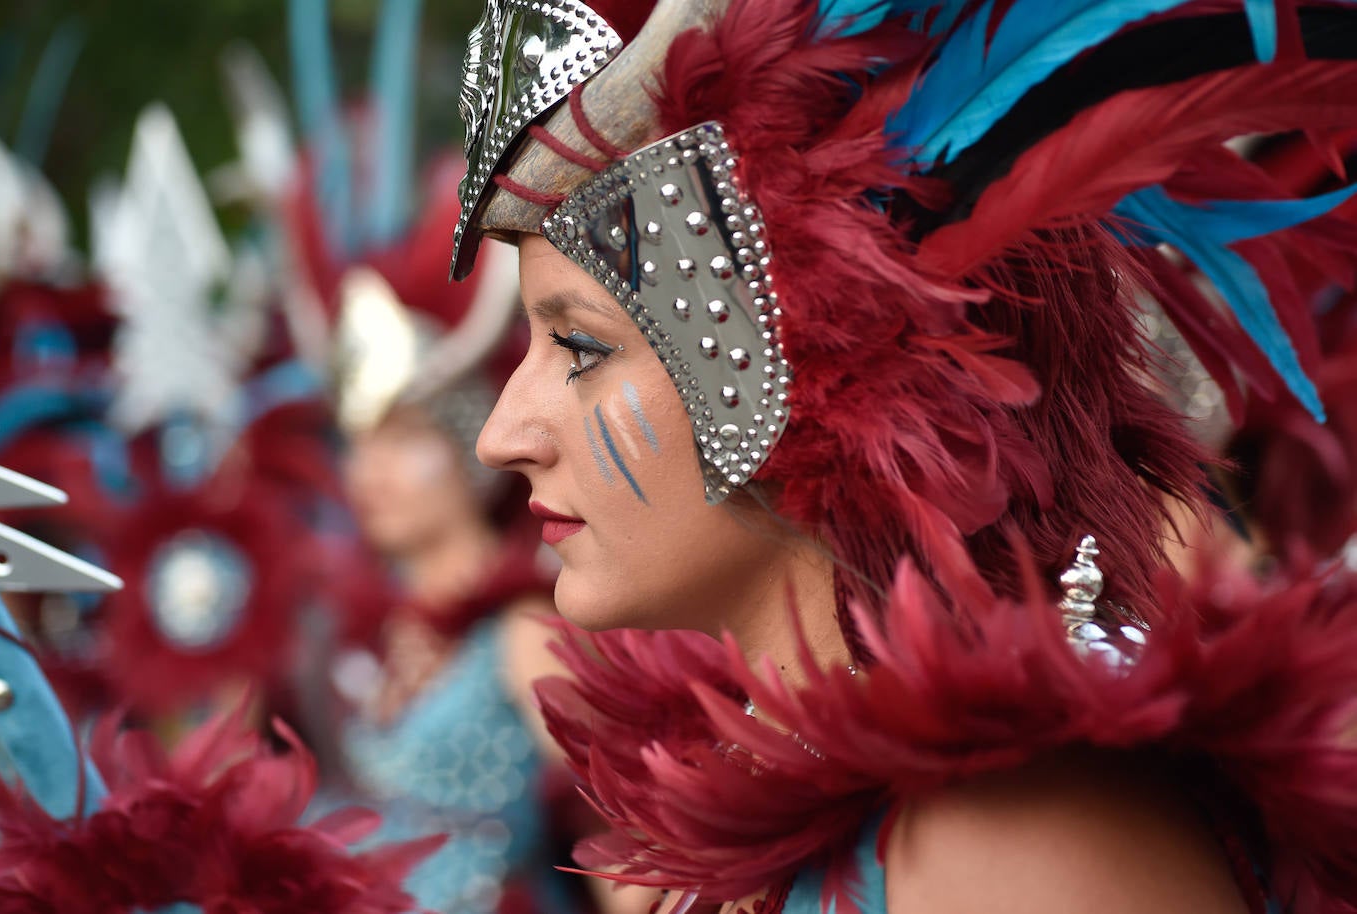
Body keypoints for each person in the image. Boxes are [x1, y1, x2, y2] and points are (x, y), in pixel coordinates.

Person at [448, 1, 1357, 913]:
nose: (501, 436)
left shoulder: (1007, 832)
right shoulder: (771, 807)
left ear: (798, 365)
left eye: (582, 348)